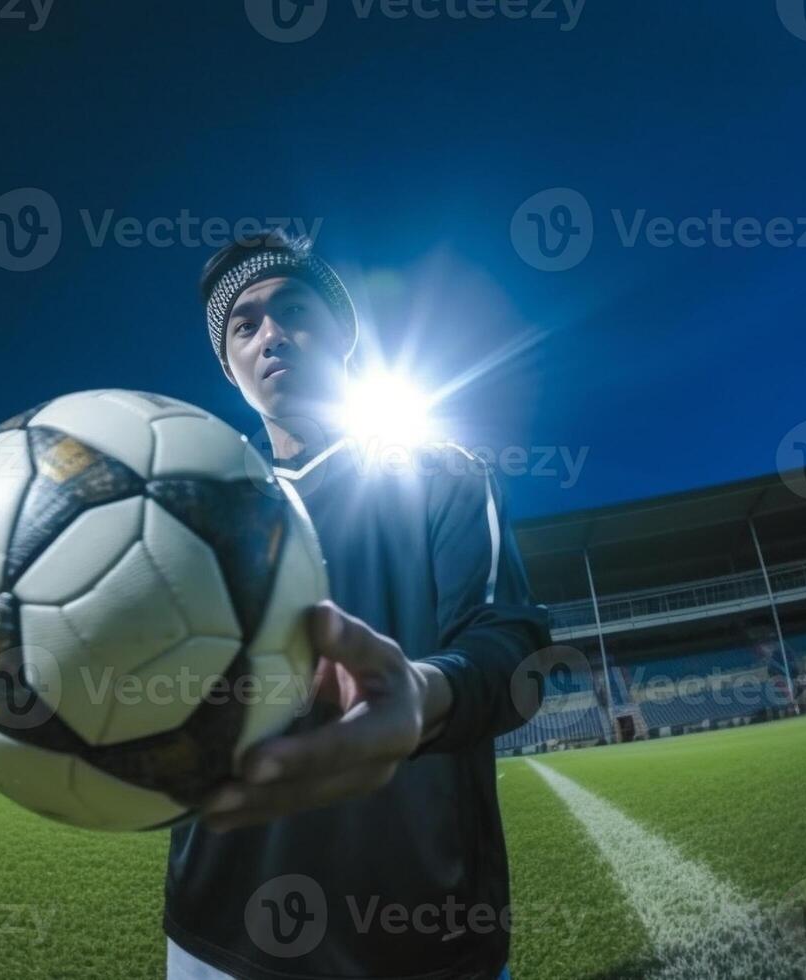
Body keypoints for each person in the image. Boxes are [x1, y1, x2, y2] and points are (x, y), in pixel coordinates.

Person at [164, 230, 551, 980]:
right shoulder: (198, 509)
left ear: (342, 333)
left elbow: (512, 645)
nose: (269, 333)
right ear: (229, 366)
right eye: (243, 325)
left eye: (292, 309)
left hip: (420, 933)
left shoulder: (442, 473)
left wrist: (422, 693)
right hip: (215, 925)